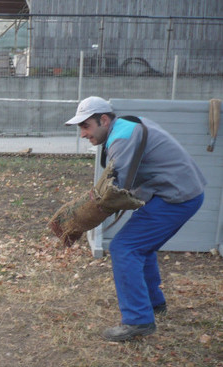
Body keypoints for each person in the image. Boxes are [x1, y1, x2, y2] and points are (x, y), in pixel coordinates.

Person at [65, 96, 207, 342]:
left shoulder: (122, 138)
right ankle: (154, 304)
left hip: (176, 197)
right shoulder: (128, 124)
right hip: (182, 192)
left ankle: (138, 320)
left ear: (104, 119)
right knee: (141, 247)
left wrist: (83, 215)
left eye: (86, 126)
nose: (83, 134)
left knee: (124, 247)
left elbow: (117, 188)